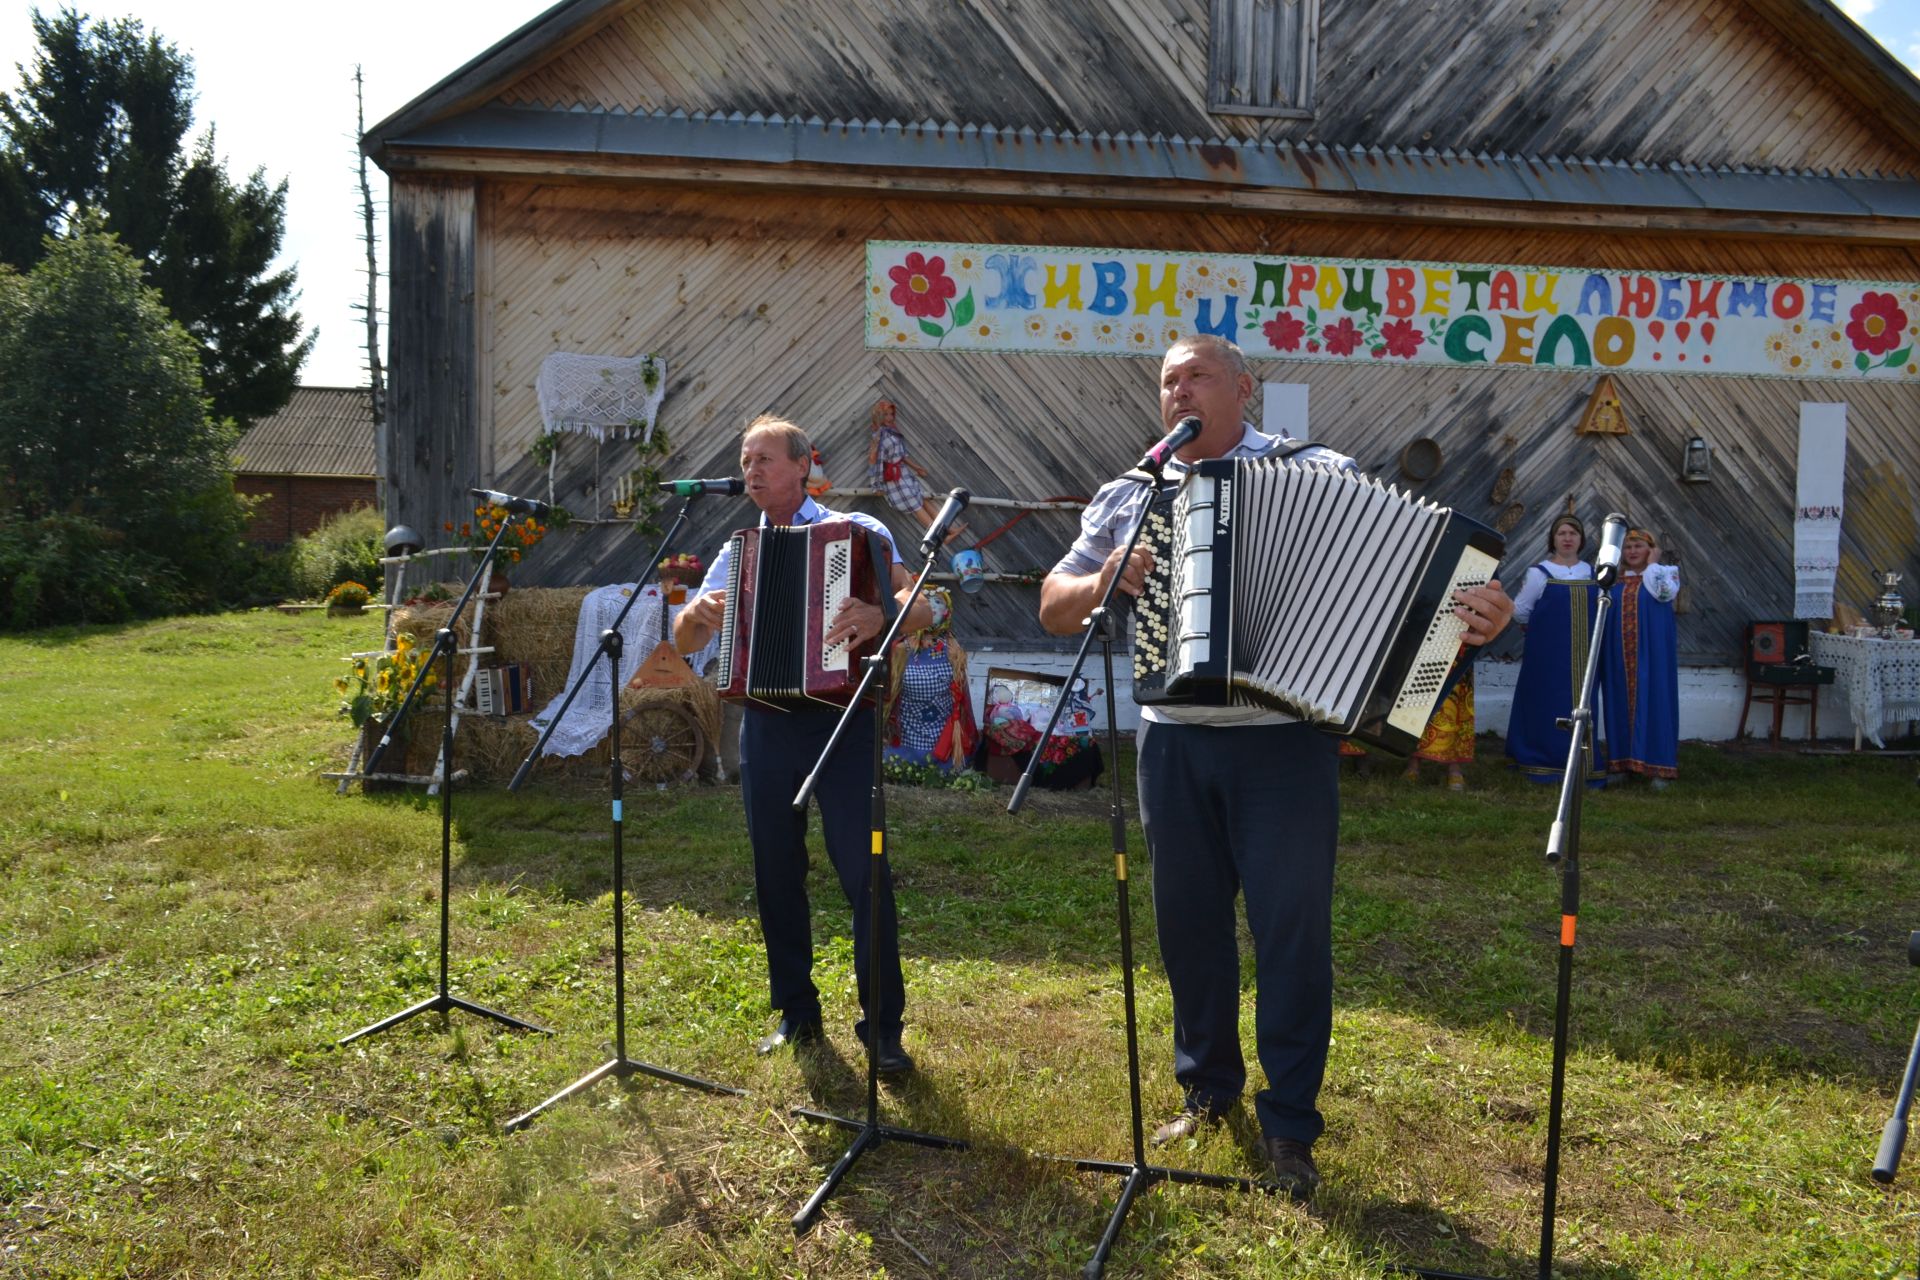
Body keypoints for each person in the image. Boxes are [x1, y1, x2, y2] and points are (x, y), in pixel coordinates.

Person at [1038, 335, 1513, 1199]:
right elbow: (1052, 604)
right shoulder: (1130, 491)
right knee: (1190, 929)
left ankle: (1290, 1123)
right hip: (1172, 740)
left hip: (1284, 741)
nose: (1180, 392)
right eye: (1168, 381)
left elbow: (1399, 572)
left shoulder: (1319, 470)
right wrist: (1106, 575)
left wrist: (1475, 612)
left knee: (1293, 935)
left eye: (1198, 377)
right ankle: (1207, 1091)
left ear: (1243, 389)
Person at [674, 414, 933, 1075]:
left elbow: (929, 605)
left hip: (843, 723)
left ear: (802, 466)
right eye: (745, 460)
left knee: (864, 873)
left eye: (764, 459)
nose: (751, 471)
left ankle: (883, 1030)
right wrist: (696, 618)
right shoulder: (736, 552)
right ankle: (796, 1012)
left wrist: (886, 617)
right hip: (765, 723)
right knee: (775, 872)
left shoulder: (860, 533)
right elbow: (686, 639)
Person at [1503, 514, 1609, 785]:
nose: (1567, 538)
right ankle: (1540, 760)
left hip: (1584, 653)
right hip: (1547, 655)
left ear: (1581, 539)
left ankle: (1580, 760)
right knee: (1544, 703)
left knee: (1582, 703)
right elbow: (1521, 612)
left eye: (1573, 533)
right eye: (1561, 533)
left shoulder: (1594, 573)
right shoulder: (1539, 573)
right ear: (1553, 539)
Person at [1600, 528, 1681, 787]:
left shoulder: (1664, 574)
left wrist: (1654, 564)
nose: (1633, 551)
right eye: (1628, 547)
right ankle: (1621, 764)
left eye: (1638, 546)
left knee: (1655, 700)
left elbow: (1665, 593)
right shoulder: (1614, 580)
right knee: (1618, 702)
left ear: (1650, 549)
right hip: (1619, 654)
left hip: (1653, 654)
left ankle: (1658, 768)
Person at [868, 399, 967, 547]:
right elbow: (874, 460)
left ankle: (948, 529)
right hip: (893, 480)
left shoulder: (893, 432)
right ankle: (941, 538)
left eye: (891, 414)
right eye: (886, 414)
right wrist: (875, 484)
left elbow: (902, 456)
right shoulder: (879, 437)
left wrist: (916, 468)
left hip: (903, 475)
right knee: (917, 507)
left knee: (923, 500)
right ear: (879, 416)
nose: (890, 418)